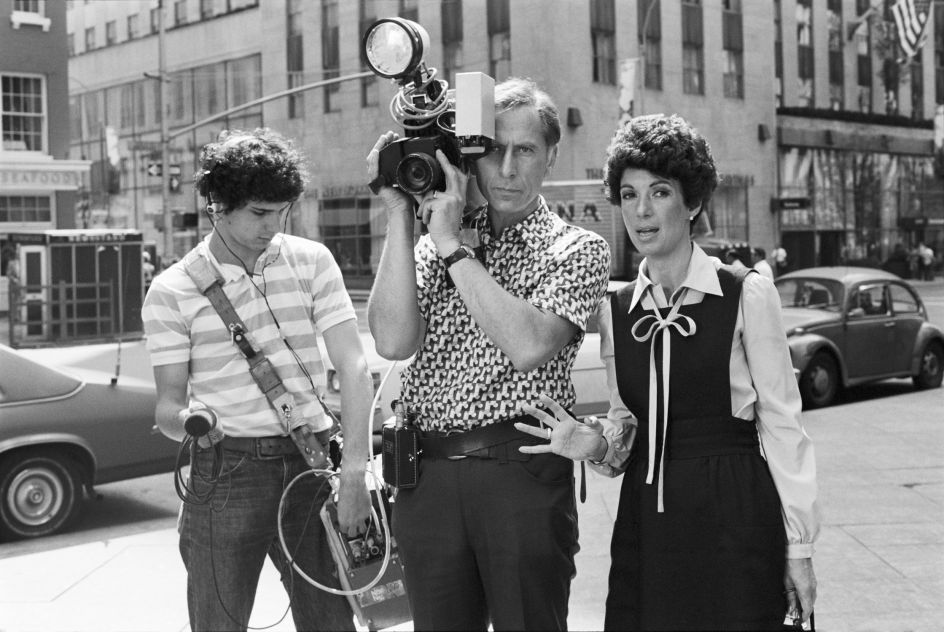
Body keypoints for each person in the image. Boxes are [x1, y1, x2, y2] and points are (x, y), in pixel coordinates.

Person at [516, 114, 819, 631]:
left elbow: (784, 424)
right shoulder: (616, 310)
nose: (641, 210)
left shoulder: (745, 292)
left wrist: (799, 546)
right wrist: (592, 444)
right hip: (647, 523)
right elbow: (625, 426)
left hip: (734, 512)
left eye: (659, 192)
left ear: (693, 203)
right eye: (629, 194)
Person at [366, 77, 610, 630]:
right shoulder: (433, 240)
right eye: (493, 150)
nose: (506, 169)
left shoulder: (575, 248)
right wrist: (402, 216)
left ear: (552, 155)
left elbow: (527, 345)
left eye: (524, 150)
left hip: (518, 475)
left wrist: (452, 247)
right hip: (424, 478)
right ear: (467, 156)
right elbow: (392, 342)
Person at [142, 128, 373, 632]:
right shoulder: (172, 290)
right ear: (217, 206)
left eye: (283, 210)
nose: (274, 225)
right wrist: (189, 422)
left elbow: (354, 366)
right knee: (218, 625)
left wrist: (354, 471)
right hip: (227, 470)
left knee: (333, 624)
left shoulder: (312, 261)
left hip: (312, 462)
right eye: (259, 213)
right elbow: (165, 409)